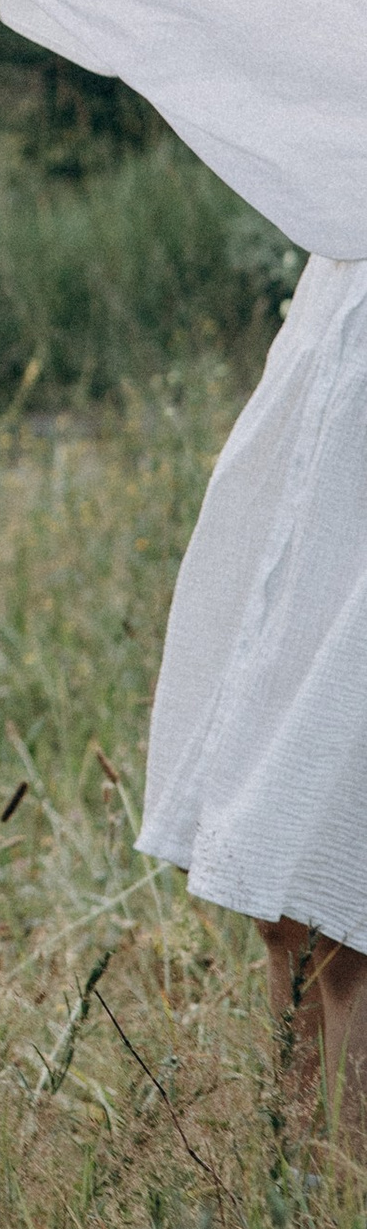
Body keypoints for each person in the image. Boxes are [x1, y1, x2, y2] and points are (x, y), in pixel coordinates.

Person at [140, 255, 367, 1148]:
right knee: (294, 891)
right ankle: (307, 1193)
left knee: (339, 887)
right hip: (338, 386)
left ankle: (331, 1200)